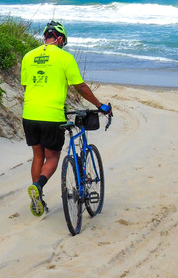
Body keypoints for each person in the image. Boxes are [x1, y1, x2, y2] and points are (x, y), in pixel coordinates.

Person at [21, 20, 111, 217]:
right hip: (51, 115)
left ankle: (39, 197)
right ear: (60, 39)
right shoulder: (65, 57)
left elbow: (27, 87)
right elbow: (80, 87)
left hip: (29, 114)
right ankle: (38, 185)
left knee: (38, 156)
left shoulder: (28, 56)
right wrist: (100, 105)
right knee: (52, 157)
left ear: (45, 37)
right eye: (64, 42)